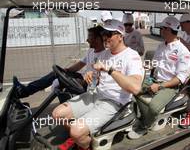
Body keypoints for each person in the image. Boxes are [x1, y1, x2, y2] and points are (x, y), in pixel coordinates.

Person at [52, 19, 144, 150]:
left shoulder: (131, 56)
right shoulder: (105, 53)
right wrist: (90, 73)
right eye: (103, 34)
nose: (104, 37)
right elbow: (95, 72)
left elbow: (136, 88)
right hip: (96, 94)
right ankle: (80, 139)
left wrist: (110, 70)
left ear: (120, 36)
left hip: (114, 102)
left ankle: (82, 143)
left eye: (108, 34)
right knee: (57, 114)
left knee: (76, 131)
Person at [128, 16, 190, 139]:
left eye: (163, 28)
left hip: (170, 86)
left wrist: (160, 86)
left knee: (153, 107)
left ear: (170, 30)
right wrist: (141, 67)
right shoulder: (161, 46)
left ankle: (144, 126)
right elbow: (154, 64)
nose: (161, 31)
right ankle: (145, 117)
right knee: (133, 88)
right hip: (154, 80)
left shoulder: (183, 52)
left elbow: (180, 78)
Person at [13, 26, 105, 100]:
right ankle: (25, 91)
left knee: (62, 82)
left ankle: (24, 91)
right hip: (84, 79)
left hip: (91, 85)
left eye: (90, 37)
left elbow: (101, 79)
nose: (87, 40)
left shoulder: (105, 55)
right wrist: (66, 70)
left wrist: (85, 81)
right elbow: (80, 64)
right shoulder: (91, 51)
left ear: (97, 39)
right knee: (56, 74)